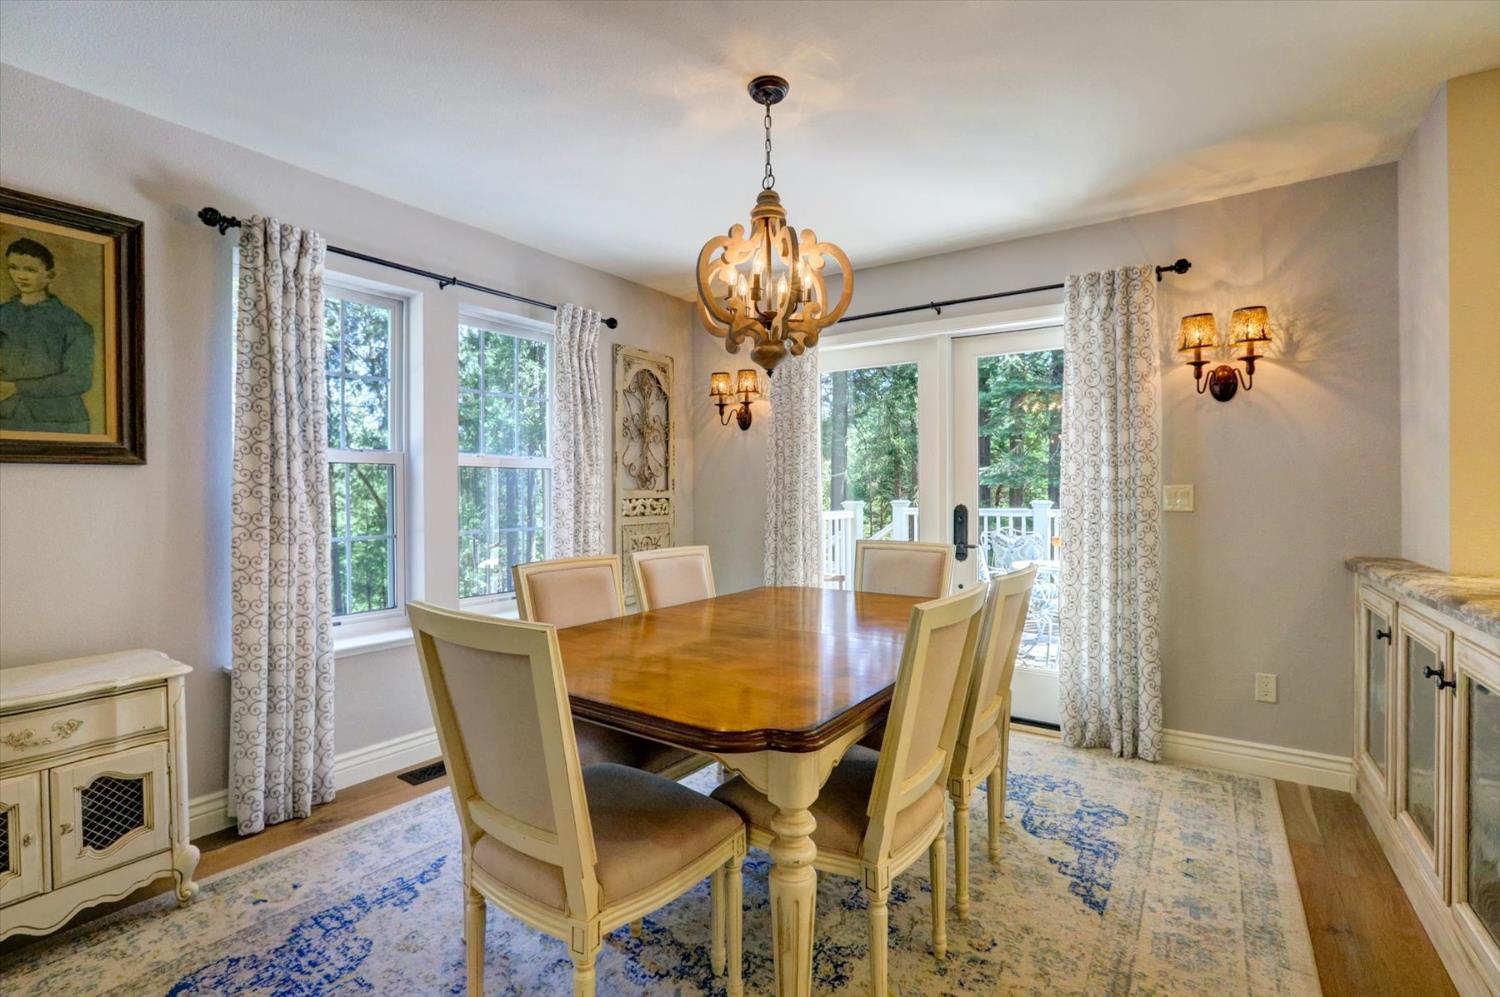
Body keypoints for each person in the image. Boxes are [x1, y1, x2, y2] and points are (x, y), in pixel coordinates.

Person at [0, 236, 95, 434]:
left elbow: (79, 379)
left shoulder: (71, 322)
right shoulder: (3, 314)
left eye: (31, 270)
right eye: (14, 267)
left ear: (50, 275)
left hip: (60, 421)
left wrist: (17, 387)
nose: (20, 276)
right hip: (7, 416)